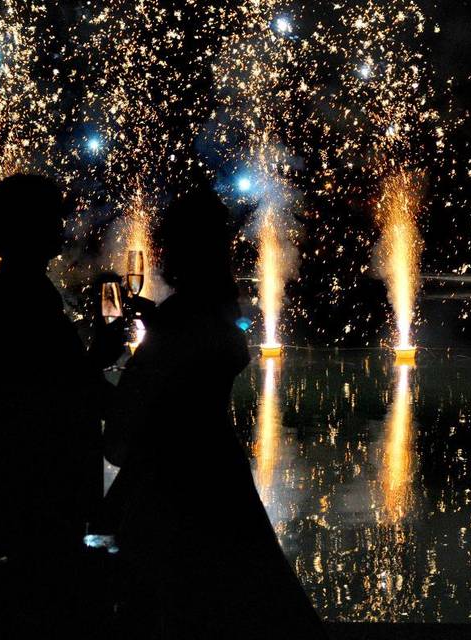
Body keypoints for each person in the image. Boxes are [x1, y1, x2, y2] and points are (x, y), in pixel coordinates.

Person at [103, 181, 327, 638]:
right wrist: (161, 323)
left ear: (179, 249)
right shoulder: (214, 313)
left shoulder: (180, 324)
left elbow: (126, 430)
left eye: (167, 239)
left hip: (173, 489)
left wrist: (91, 367)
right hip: (217, 473)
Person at [0, 174, 125, 562]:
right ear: (29, 225)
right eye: (53, 217)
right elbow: (58, 394)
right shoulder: (24, 299)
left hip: (25, 496)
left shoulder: (15, 293)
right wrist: (105, 361)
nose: (62, 226)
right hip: (40, 498)